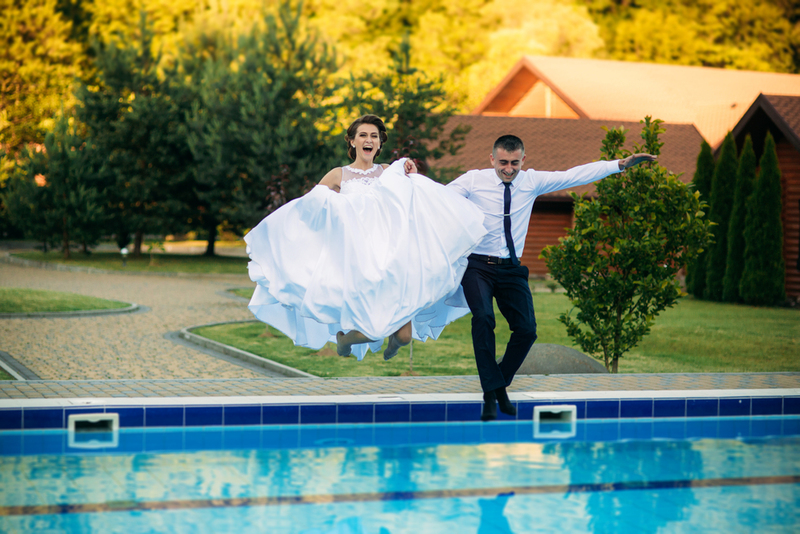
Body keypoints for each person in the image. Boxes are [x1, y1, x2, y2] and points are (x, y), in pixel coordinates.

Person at [447, 135, 656, 421]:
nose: (509, 169)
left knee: (527, 330)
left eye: (515, 163)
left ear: (524, 160)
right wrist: (407, 177)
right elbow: (437, 198)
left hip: (511, 267)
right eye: (503, 163)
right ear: (492, 159)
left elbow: (573, 175)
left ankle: (497, 384)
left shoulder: (531, 181)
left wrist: (619, 165)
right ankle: (492, 393)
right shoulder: (473, 181)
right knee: (483, 318)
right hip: (478, 266)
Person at [244, 115, 487, 361]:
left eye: (374, 136)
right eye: (362, 135)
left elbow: (415, 199)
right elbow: (312, 210)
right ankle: (344, 340)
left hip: (392, 262)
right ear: (352, 142)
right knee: (373, 331)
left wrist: (409, 170)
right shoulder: (338, 175)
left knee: (403, 337)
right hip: (358, 264)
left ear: (380, 144)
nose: (368, 140)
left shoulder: (389, 172)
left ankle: (393, 346)